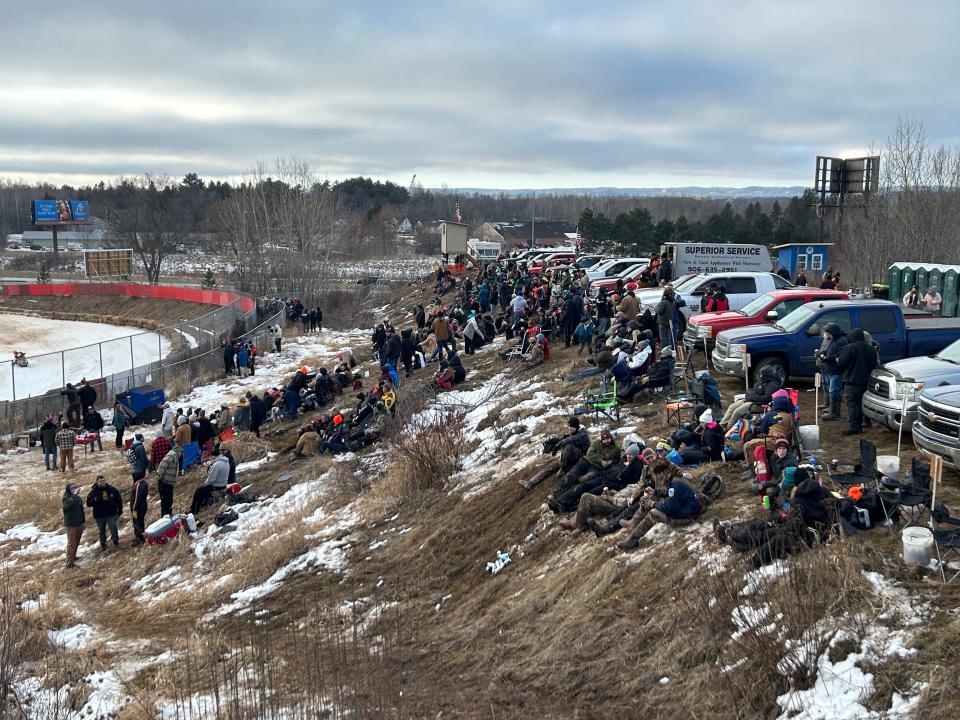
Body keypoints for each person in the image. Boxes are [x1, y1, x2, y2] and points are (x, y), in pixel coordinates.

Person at [617, 459, 702, 550]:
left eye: (658, 475)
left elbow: (669, 508)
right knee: (657, 506)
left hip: (689, 516)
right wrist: (655, 492)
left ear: (663, 473)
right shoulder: (675, 480)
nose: (659, 478)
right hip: (689, 510)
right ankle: (632, 538)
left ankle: (632, 540)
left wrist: (652, 504)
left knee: (653, 513)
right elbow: (670, 494)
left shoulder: (676, 485)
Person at [837, 328, 878, 436]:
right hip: (867, 381)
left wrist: (838, 360)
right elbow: (875, 364)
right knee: (863, 403)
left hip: (852, 381)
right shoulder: (870, 348)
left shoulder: (850, 347)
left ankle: (854, 427)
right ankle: (866, 421)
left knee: (852, 404)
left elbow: (842, 363)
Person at [816, 323, 847, 422]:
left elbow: (839, 355)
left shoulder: (841, 341)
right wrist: (820, 354)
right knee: (828, 388)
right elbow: (826, 350)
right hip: (829, 368)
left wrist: (826, 358)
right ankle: (831, 408)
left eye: (827, 332)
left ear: (832, 333)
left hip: (836, 370)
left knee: (834, 391)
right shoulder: (830, 339)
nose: (825, 334)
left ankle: (834, 413)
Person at [86, 475, 122, 550]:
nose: (102, 482)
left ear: (105, 481)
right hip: (100, 515)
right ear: (97, 482)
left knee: (113, 527)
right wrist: (95, 499)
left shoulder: (112, 489)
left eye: (103, 481)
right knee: (101, 530)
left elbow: (119, 500)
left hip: (111, 513)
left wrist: (120, 510)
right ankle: (103, 544)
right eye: (100, 481)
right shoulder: (93, 492)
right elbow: (88, 503)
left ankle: (115, 541)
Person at [62, 483, 86, 568]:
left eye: (75, 488)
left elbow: (81, 510)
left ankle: (73, 556)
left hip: (79, 523)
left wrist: (83, 522)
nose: (74, 489)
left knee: (76, 542)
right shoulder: (67, 497)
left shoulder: (78, 498)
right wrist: (74, 495)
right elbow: (66, 506)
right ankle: (69, 563)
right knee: (71, 544)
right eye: (72, 488)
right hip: (71, 524)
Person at [156, 445, 181, 517]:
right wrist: (159, 477)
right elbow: (162, 466)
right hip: (164, 483)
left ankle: (167, 515)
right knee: (166, 502)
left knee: (169, 501)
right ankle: (165, 517)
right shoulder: (172, 455)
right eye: (181, 453)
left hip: (168, 484)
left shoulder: (174, 456)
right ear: (178, 451)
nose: (181, 455)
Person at [129, 470, 148, 545]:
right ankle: (141, 536)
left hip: (137, 509)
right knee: (140, 522)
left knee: (137, 522)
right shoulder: (143, 483)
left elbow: (137, 498)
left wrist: (134, 508)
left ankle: (139, 538)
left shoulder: (138, 485)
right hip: (142, 507)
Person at [656, 286, 676, 350]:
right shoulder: (673, 301)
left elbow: (659, 311)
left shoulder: (664, 302)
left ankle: (664, 349)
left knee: (663, 337)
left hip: (662, 322)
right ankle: (670, 348)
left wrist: (656, 307)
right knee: (669, 336)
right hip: (670, 321)